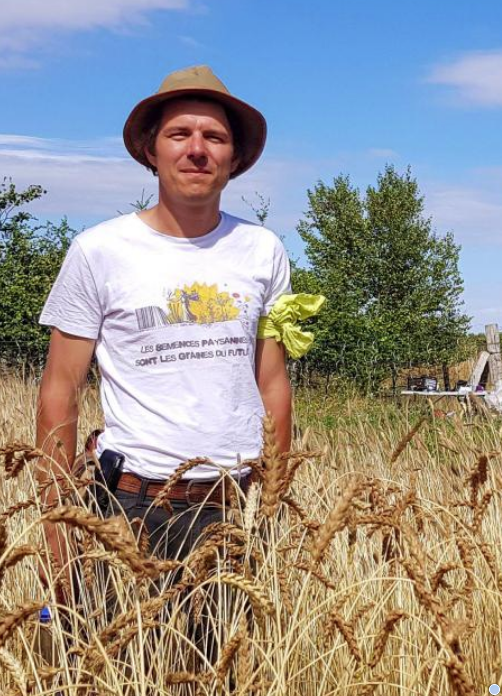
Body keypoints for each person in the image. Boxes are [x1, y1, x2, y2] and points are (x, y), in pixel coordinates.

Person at [34, 64, 318, 604]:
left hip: (232, 509)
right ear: (151, 150)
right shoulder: (98, 251)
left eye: (214, 137)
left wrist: (272, 505)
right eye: (179, 134)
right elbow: (60, 388)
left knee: (228, 655)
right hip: (128, 508)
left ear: (234, 158)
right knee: (119, 654)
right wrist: (57, 528)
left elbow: (273, 382)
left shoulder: (263, 251)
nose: (197, 150)